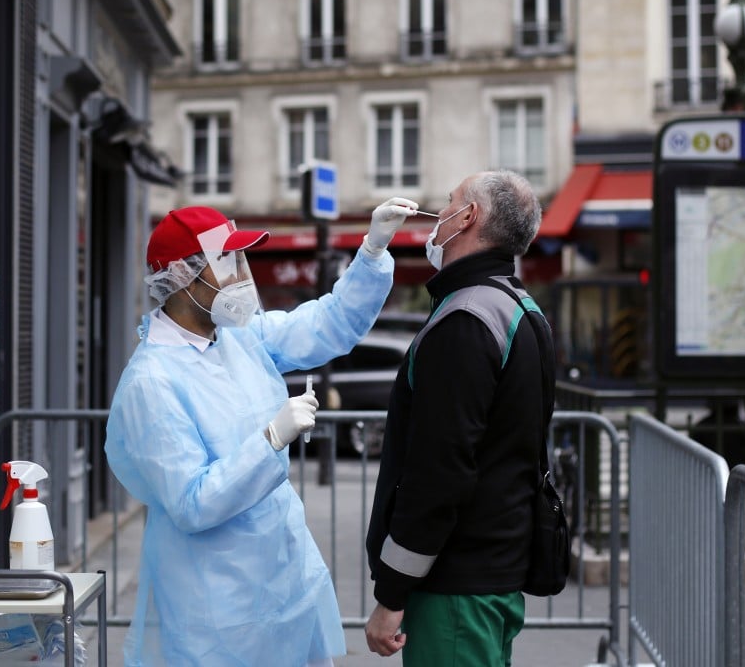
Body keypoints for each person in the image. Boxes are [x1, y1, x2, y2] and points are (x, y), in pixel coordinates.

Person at [105, 200, 417, 666]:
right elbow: (191, 502)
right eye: (228, 262)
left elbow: (326, 324)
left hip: (281, 577)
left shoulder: (237, 337)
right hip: (213, 606)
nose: (242, 275)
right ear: (184, 277)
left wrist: (372, 251)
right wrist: (269, 440)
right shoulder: (152, 382)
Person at [365, 170, 556, 666]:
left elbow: (438, 474)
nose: (438, 213)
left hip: (453, 587)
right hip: (489, 577)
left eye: (449, 202)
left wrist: (391, 594)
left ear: (468, 217)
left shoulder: (464, 320)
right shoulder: (518, 307)